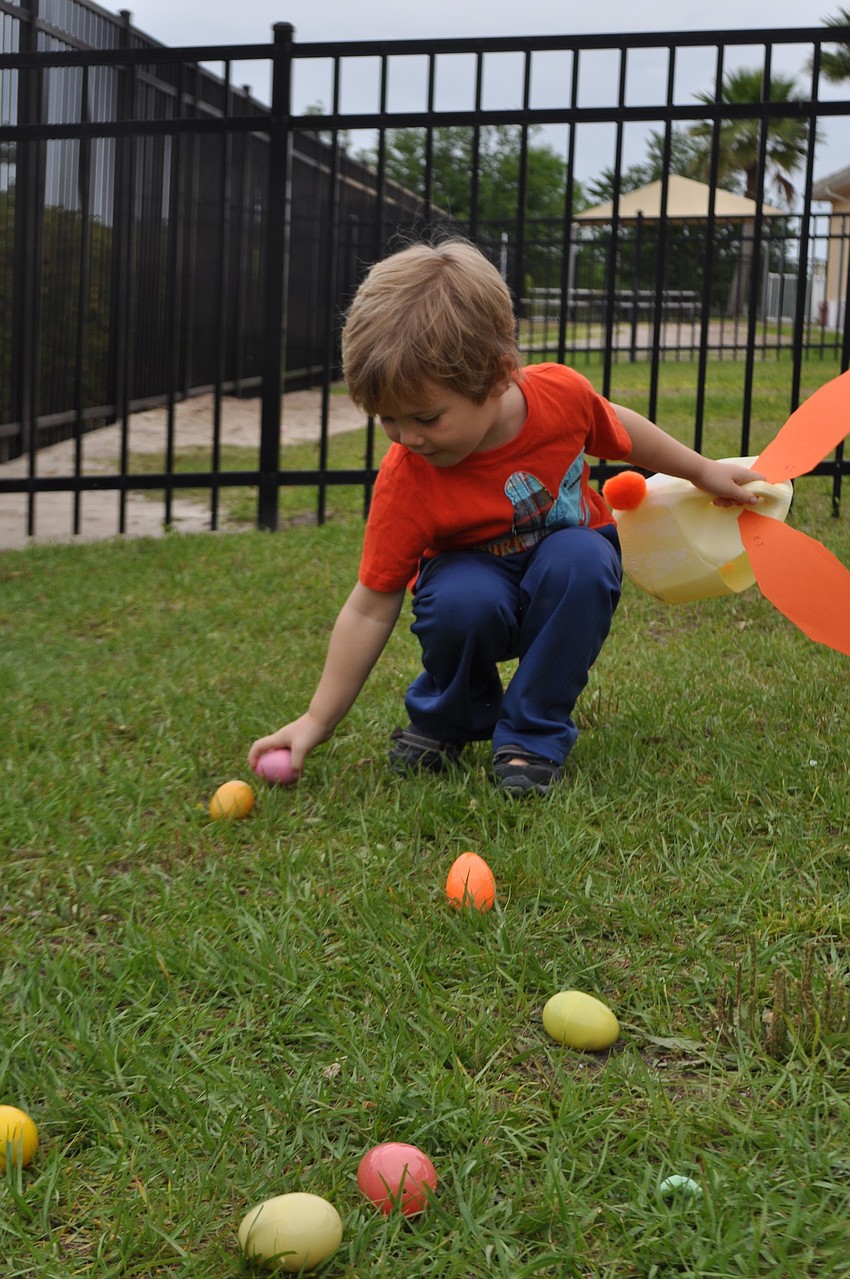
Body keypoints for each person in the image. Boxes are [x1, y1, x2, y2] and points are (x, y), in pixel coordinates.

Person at [248, 239, 764, 796]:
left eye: (425, 417)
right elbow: (371, 607)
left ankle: (531, 735)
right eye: (387, 419)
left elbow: (618, 426)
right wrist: (317, 719)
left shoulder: (561, 396)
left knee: (584, 561)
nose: (408, 437)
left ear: (497, 378)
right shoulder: (408, 477)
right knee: (461, 603)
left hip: (560, 563)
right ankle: (452, 716)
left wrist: (701, 470)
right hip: (470, 575)